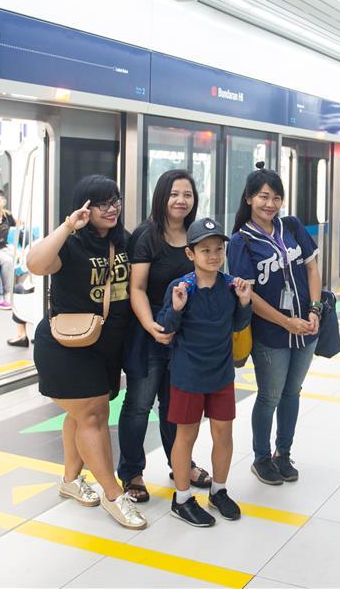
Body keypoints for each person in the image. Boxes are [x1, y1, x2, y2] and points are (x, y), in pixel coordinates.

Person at [26, 175, 145, 530]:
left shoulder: (126, 240)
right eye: (101, 203)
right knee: (92, 416)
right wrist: (67, 226)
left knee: (82, 413)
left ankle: (69, 481)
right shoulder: (71, 244)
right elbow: (35, 263)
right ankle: (113, 495)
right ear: (85, 207)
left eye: (115, 200)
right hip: (66, 345)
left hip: (106, 347)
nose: (112, 208)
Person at [118, 169, 212, 504]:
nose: (181, 201)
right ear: (162, 196)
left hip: (184, 334)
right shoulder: (147, 235)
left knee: (177, 406)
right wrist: (151, 327)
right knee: (140, 404)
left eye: (187, 194)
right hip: (150, 331)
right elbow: (137, 288)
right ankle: (131, 472)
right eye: (174, 194)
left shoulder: (195, 233)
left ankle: (180, 464)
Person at [227, 162, 322, 486]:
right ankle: (261, 458)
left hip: (306, 329)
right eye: (264, 197)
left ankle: (284, 452)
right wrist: (286, 322)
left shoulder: (292, 226)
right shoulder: (240, 241)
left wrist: (314, 311)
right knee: (270, 395)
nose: (271, 204)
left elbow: (312, 269)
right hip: (270, 334)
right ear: (250, 198)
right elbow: (248, 295)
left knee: (293, 392)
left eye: (276, 198)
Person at [156, 218, 252, 527]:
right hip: (188, 375)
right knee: (187, 435)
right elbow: (166, 328)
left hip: (221, 373)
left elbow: (237, 325)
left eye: (219, 249)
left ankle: (219, 490)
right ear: (190, 254)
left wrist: (245, 302)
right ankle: (182, 498)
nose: (213, 255)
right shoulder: (180, 287)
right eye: (205, 250)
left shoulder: (229, 285)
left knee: (223, 433)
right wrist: (178, 307)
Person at [0, 189, 30, 345]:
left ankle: (22, 289)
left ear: (3, 202)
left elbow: (17, 224)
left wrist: (20, 223)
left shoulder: (7, 215)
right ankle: (9, 293)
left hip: (6, 246)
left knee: (23, 258)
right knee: (8, 262)